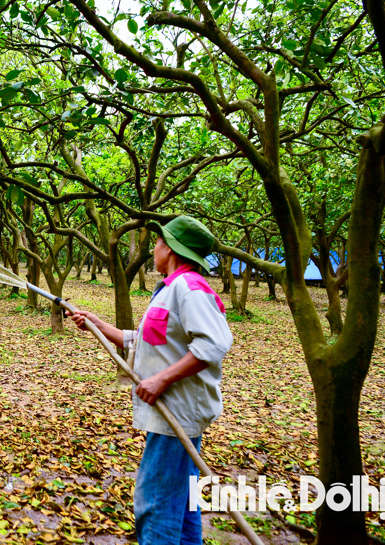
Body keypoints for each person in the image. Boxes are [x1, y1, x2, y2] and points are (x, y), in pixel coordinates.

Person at [69, 215, 232, 545]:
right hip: (173, 416)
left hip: (176, 415)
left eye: (158, 242)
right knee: (183, 506)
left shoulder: (189, 289)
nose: (153, 248)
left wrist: (161, 380)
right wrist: (96, 324)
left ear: (171, 249)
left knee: (155, 504)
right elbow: (142, 340)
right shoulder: (171, 289)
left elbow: (213, 344)